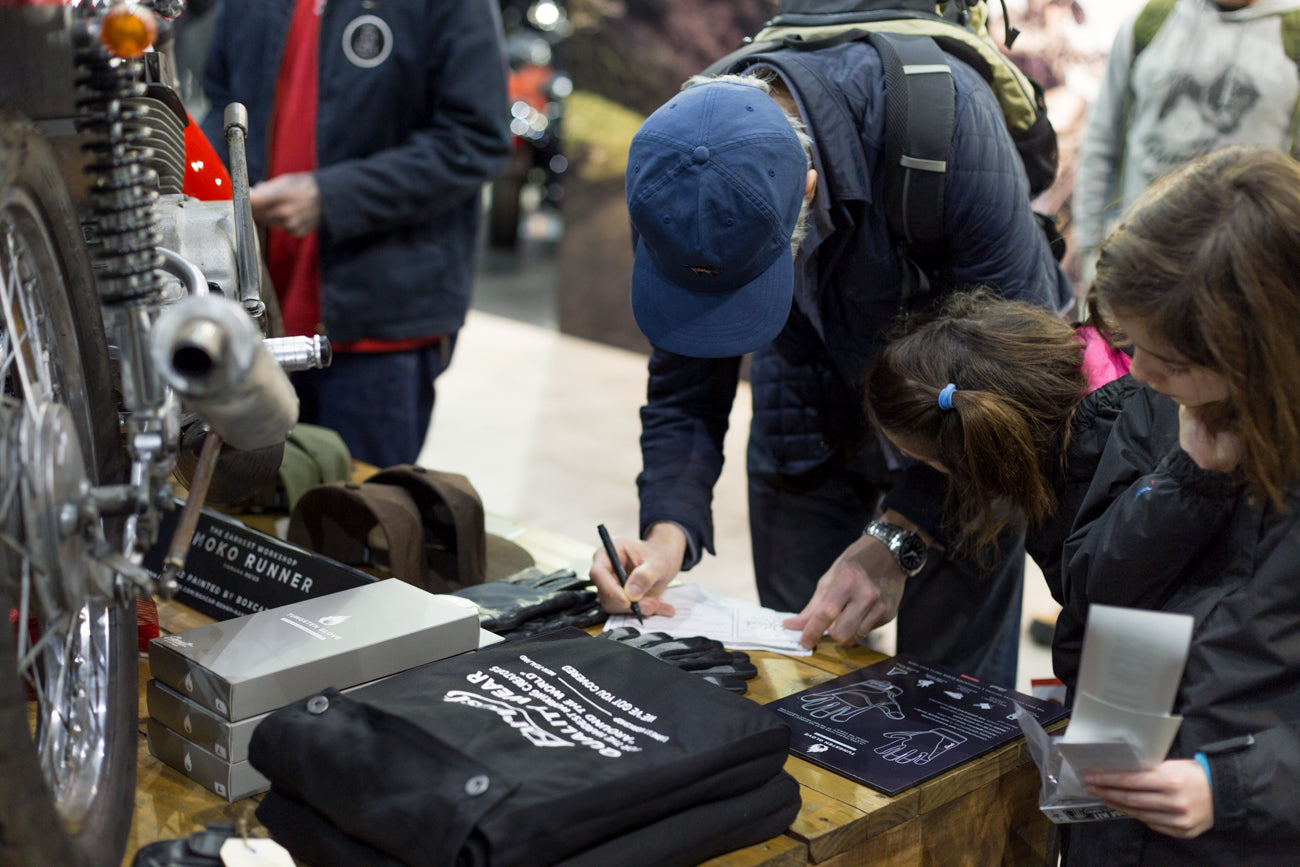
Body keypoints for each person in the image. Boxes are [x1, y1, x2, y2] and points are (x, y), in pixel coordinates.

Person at [591, 50, 1072, 688]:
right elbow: (686, 381)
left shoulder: (951, 131)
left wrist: (905, 533)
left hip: (959, 419)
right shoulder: (674, 176)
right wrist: (666, 528)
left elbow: (1020, 389)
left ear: (808, 186)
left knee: (952, 705)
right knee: (802, 675)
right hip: (806, 399)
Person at [1057, 145, 1300, 862]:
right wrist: (1188, 478)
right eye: (1134, 346)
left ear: (1258, 352)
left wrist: (1228, 784)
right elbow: (1092, 583)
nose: (1145, 374)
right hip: (1117, 801)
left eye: (1172, 362)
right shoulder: (1159, 400)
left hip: (1247, 831)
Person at [200, 0, 511, 467]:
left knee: (357, 520)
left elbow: (475, 139)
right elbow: (220, 102)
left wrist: (332, 196)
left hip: (376, 332)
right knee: (249, 518)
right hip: (255, 315)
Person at [863, 291, 1161, 622]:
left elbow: (1105, 631)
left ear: (977, 456)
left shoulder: (1074, 509)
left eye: (922, 459)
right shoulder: (1123, 350)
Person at [1071, 0, 1300, 304]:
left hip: (1239, 282)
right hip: (1135, 266)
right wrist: (1092, 250)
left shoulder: (1291, 36)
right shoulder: (1149, 22)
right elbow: (1101, 140)